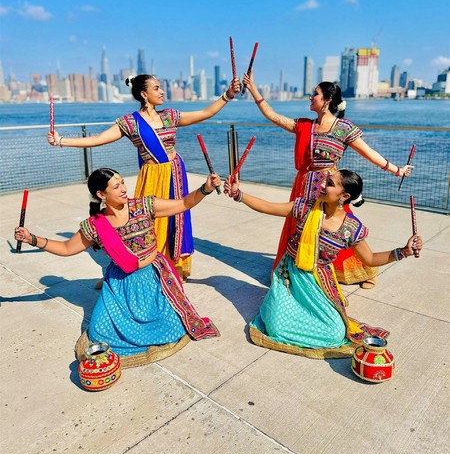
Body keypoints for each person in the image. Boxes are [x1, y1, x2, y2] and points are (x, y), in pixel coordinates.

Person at [14, 168, 222, 368]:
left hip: (153, 277)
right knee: (98, 332)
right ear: (101, 194)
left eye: (122, 182)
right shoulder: (95, 225)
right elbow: (67, 248)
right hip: (121, 284)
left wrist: (205, 188)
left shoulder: (144, 205)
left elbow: (184, 203)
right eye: (116, 186)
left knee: (173, 327)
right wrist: (32, 238)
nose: (124, 188)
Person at [48, 74, 241, 281]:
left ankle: (172, 264)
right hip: (152, 176)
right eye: (156, 88)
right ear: (144, 94)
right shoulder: (130, 122)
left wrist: (227, 95)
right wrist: (61, 141)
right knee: (145, 221)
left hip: (175, 173)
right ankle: (147, 265)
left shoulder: (169, 116)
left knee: (177, 217)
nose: (161, 91)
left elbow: (205, 113)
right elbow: (98, 139)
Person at [241, 71, 414, 289]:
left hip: (330, 187)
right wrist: (253, 88)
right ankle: (299, 269)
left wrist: (397, 170)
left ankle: (366, 270)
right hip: (304, 184)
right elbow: (273, 116)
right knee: (301, 228)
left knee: (338, 230)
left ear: (326, 101)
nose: (310, 97)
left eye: (315, 94)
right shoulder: (306, 126)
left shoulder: (343, 128)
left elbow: (368, 152)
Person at [224, 169, 422, 359]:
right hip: (289, 277)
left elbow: (370, 259)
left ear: (344, 196)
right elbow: (269, 207)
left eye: (330, 183)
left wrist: (403, 252)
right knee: (274, 326)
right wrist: (239, 194)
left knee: (335, 334)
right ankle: (287, 309)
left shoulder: (350, 228)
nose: (323, 184)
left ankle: (301, 314)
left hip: (318, 281)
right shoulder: (306, 207)